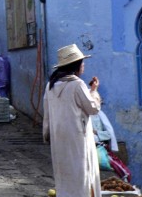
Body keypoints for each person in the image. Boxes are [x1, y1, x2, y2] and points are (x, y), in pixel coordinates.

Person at [42, 44, 101, 197]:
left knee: (65, 174)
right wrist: (93, 91)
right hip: (77, 137)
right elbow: (93, 108)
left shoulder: (51, 85)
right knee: (82, 173)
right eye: (82, 63)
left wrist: (47, 134)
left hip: (59, 137)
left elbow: (47, 114)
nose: (84, 65)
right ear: (76, 65)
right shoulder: (77, 84)